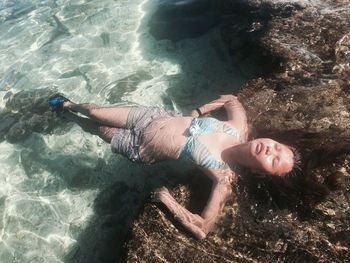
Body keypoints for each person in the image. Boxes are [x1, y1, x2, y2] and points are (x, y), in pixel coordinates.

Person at [48, 94, 298, 239]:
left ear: (258, 172)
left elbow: (202, 229)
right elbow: (232, 99)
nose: (270, 150)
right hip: (152, 117)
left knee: (97, 129)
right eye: (276, 147)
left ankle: (68, 117)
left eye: (273, 161)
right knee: (95, 112)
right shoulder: (238, 125)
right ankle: (69, 104)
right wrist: (198, 110)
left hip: (140, 147)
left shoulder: (224, 177)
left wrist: (168, 201)